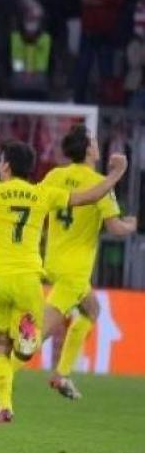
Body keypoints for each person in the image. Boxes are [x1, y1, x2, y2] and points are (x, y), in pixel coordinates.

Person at [0, 115, 127, 423]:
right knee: (26, 347)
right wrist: (116, 173)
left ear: (5, 166)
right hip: (27, 282)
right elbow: (90, 195)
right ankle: (23, 360)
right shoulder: (41, 195)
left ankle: (4, 406)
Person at [40, 125, 137, 399]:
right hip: (74, 269)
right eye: (94, 141)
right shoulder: (100, 183)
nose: (97, 145)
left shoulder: (55, 175)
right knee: (38, 333)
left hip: (52, 260)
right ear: (89, 149)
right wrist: (132, 224)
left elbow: (37, 205)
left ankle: (61, 374)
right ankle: (0, 370)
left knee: (91, 310)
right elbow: (115, 228)